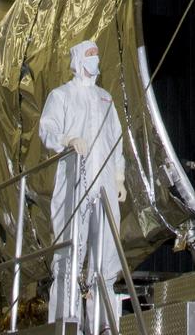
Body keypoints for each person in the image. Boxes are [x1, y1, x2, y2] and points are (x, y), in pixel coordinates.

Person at [39, 39, 126, 324]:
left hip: (104, 186)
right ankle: (65, 323)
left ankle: (103, 324)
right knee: (69, 254)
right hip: (74, 182)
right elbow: (47, 129)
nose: (95, 59)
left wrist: (119, 177)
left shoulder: (106, 98)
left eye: (97, 55)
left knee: (106, 257)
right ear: (77, 59)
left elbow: (115, 140)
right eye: (89, 55)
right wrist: (66, 140)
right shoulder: (62, 95)